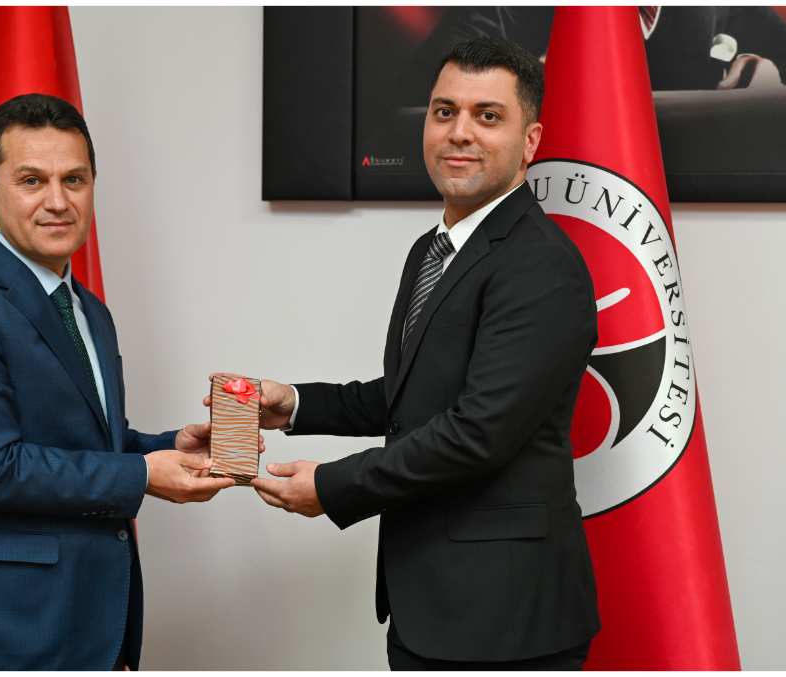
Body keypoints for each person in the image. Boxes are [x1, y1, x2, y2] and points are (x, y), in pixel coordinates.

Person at [241, 38, 601, 669]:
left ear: (531, 141)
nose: (460, 132)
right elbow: (414, 395)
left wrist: (332, 485)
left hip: (505, 620)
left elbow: (477, 433)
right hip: (430, 603)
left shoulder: (541, 265)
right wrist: (294, 405)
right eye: (444, 112)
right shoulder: (432, 250)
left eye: (488, 116)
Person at [0, 93, 243, 670]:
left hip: (90, 626)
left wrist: (169, 447)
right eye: (32, 180)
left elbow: (87, 443)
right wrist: (142, 474)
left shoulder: (89, 311)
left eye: (74, 180)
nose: (58, 201)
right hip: (0, 633)